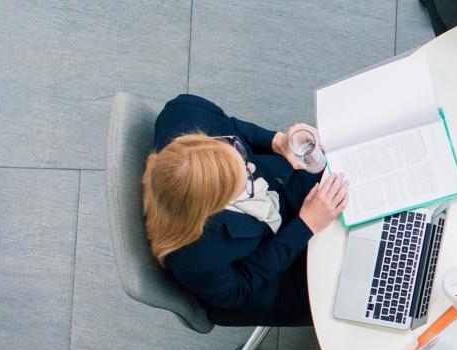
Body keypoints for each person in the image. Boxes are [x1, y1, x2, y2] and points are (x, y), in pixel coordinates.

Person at [143, 94, 349, 327]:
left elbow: (231, 126)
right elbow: (241, 288)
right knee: (356, 290)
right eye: (244, 182)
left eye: (238, 156)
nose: (251, 166)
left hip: (283, 189)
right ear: (214, 208)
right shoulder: (194, 256)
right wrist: (305, 226)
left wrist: (276, 142)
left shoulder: (186, 111)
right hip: (275, 275)